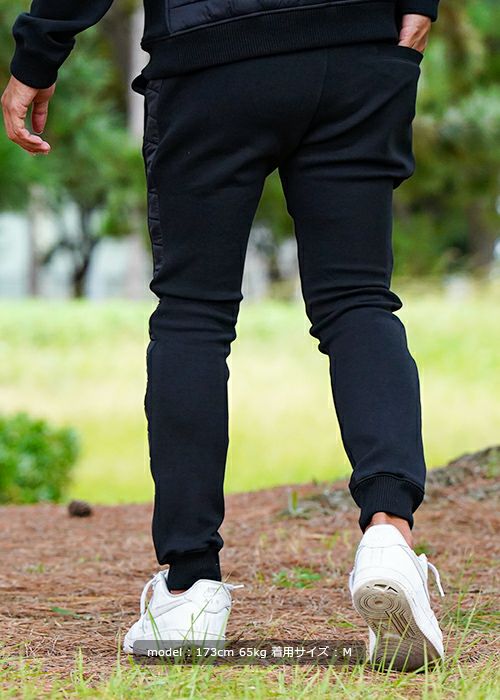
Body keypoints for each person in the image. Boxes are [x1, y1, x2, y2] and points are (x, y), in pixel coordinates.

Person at [2, 0, 446, 671]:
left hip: (211, 53)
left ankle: (190, 590)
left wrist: (39, 51)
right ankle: (389, 537)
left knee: (194, 315)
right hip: (358, 45)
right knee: (358, 300)